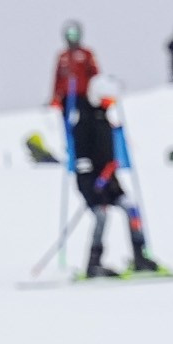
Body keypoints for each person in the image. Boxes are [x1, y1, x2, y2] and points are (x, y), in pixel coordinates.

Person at [71, 86, 159, 278]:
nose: (109, 105)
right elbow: (82, 159)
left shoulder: (105, 121)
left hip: (110, 179)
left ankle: (140, 256)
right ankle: (94, 263)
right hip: (91, 181)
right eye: (106, 100)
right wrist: (92, 185)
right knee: (101, 216)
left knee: (132, 209)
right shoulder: (84, 122)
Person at [52, 21, 99, 109]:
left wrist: (96, 93)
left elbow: (95, 74)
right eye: (70, 35)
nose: (72, 38)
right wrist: (55, 97)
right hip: (66, 97)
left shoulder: (86, 54)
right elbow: (57, 79)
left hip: (85, 96)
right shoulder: (63, 56)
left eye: (75, 35)